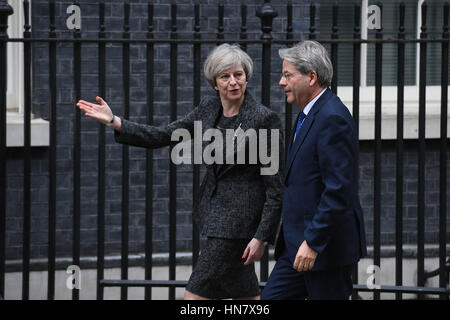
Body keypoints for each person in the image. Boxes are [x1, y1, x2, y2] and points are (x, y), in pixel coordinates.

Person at [76, 43, 284, 300]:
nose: (233, 82)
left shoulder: (264, 119)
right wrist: (115, 122)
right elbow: (165, 134)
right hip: (211, 215)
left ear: (246, 76)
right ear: (215, 81)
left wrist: (262, 236)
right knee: (246, 296)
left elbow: (275, 188)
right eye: (225, 76)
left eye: (238, 75)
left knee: (194, 296)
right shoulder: (208, 109)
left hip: (238, 226)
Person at [261, 40, 367, 300]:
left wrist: (313, 243)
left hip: (323, 249)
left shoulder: (332, 118)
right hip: (297, 246)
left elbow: (339, 189)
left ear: (311, 77)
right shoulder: (309, 113)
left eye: (288, 75)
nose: (281, 82)